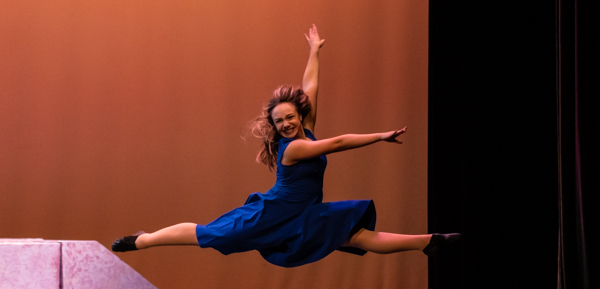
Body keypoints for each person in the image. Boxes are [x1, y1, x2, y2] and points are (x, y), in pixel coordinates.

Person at [112, 24, 460, 267]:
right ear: (276, 127)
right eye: (280, 122)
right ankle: (143, 240)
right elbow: (337, 143)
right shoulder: (291, 149)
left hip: (301, 215)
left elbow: (310, 87)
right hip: (270, 215)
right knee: (207, 235)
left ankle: (430, 242)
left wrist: (314, 51)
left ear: (299, 115)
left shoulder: (305, 129)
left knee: (356, 236)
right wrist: (380, 136)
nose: (287, 124)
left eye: (290, 118)